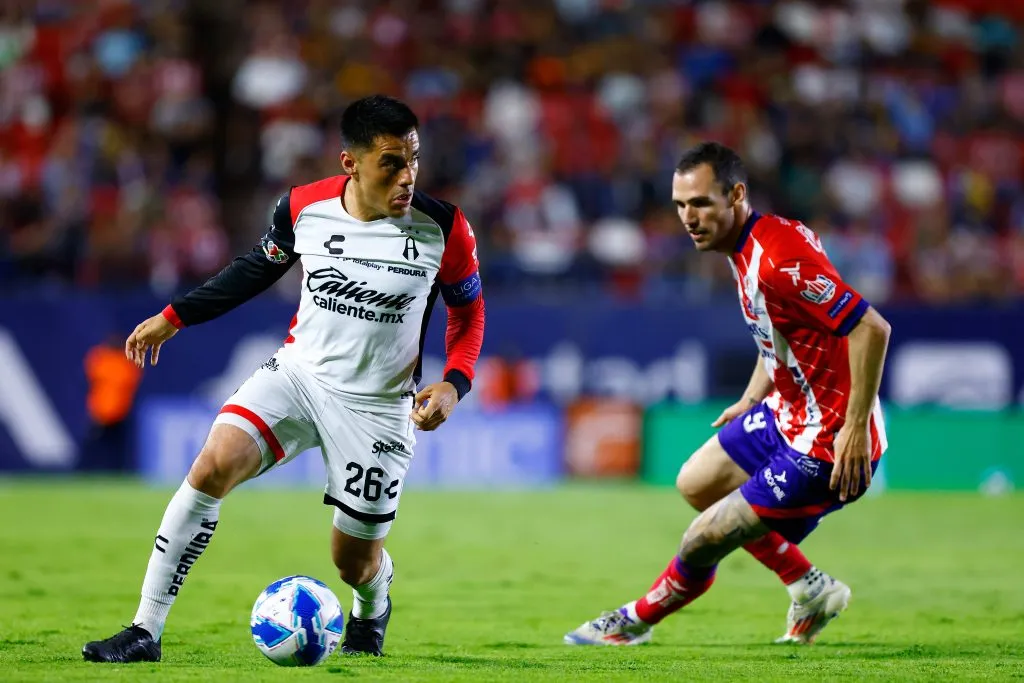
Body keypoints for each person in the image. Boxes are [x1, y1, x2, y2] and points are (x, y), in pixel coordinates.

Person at [83, 95, 485, 663]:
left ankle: (374, 599)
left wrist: (454, 383)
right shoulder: (303, 208)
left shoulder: (444, 227)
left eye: (414, 160)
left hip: (377, 407)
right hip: (299, 377)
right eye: (391, 163)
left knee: (353, 562)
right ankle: (145, 630)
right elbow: (254, 269)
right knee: (211, 467)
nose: (407, 176)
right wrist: (175, 318)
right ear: (350, 163)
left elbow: (468, 313)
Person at [565, 142, 890, 646]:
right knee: (697, 483)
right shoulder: (750, 246)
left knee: (701, 540)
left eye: (700, 204)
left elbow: (872, 328)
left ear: (736, 195)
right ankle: (809, 586)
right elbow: (782, 336)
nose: (688, 218)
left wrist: (853, 427)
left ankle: (634, 622)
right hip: (788, 412)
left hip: (827, 440)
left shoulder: (778, 261)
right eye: (680, 206)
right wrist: (750, 398)